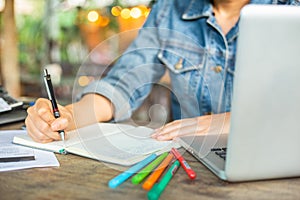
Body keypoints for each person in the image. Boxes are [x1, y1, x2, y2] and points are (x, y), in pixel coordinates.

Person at [25, 0, 299, 143]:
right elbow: (123, 83)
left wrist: (231, 122)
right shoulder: (170, 9)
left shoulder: (291, 10)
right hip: (187, 170)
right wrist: (69, 116)